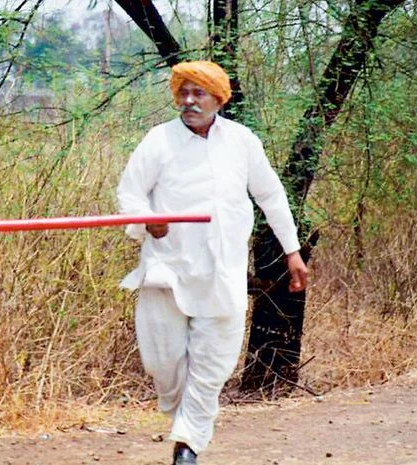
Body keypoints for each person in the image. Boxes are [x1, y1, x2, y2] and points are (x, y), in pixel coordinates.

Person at [116, 60, 309, 465]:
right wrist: (147, 221)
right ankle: (183, 419)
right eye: (183, 93)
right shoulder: (158, 140)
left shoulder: (242, 141)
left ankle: (187, 446)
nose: (189, 101)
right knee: (162, 363)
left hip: (223, 271)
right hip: (168, 270)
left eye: (198, 93)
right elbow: (129, 194)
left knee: (212, 364)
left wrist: (292, 251)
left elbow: (271, 196)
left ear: (218, 99)